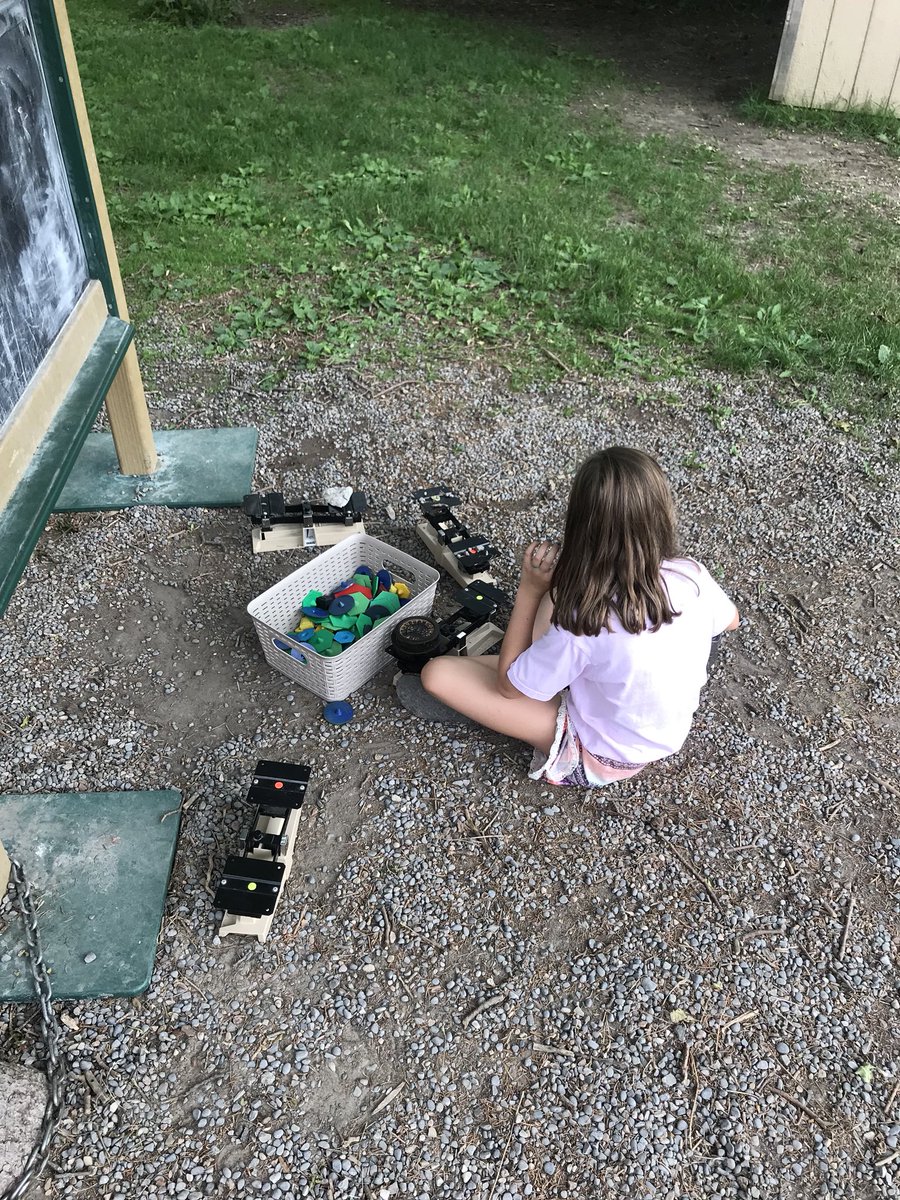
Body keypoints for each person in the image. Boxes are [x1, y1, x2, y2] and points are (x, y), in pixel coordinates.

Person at [400, 446, 739, 787]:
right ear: (662, 512)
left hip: (599, 754)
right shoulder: (691, 575)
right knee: (547, 631)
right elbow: (731, 620)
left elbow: (506, 689)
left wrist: (530, 590)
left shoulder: (585, 620)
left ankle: (538, 685)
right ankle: (541, 672)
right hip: (660, 732)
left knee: (438, 673)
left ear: (581, 525)